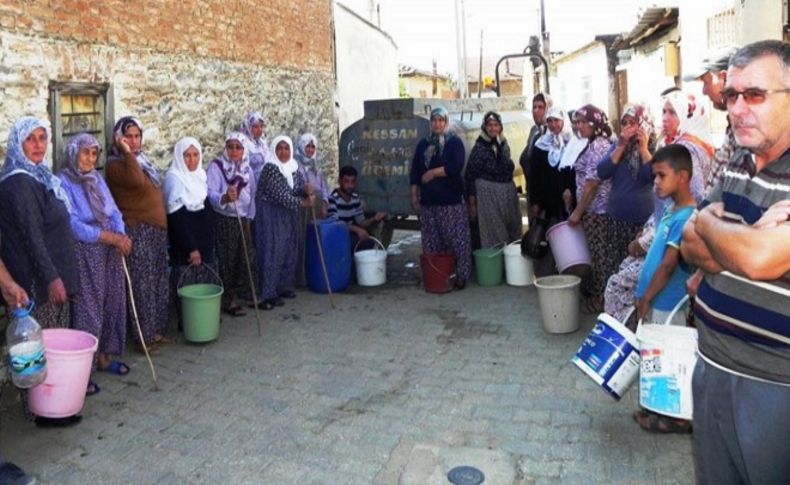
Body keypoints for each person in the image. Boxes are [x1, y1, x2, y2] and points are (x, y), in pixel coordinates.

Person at [680, 40, 790, 485]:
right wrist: (724, 231)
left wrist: (710, 225)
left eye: (755, 95)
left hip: (774, 387)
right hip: (710, 368)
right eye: (732, 95)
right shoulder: (737, 162)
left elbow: (758, 258)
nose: (738, 108)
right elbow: (689, 245)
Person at [603, 90, 715, 323]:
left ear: (687, 115)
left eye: (672, 112)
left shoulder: (688, 150)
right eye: (664, 111)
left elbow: (690, 197)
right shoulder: (680, 144)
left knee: (620, 286)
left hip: (667, 269)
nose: (665, 117)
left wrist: (648, 240)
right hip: (659, 230)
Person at [59, 134, 131, 393]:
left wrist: (121, 235)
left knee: (112, 301)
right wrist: (109, 237)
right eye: (85, 153)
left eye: (94, 153)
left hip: (109, 249)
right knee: (89, 308)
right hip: (87, 251)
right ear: (73, 154)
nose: (90, 159)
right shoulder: (64, 182)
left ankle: (103, 357)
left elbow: (114, 211)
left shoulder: (97, 179)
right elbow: (73, 225)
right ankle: (82, 371)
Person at [0, 117, 78, 328]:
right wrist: (52, 279)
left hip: (48, 280)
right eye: (30, 139)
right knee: (44, 347)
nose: (38, 145)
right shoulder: (21, 183)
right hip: (38, 287)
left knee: (54, 349)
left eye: (42, 138)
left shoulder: (39, 176)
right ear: (18, 144)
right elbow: (32, 236)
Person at [105, 116, 169, 351]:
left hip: (155, 231)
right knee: (142, 284)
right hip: (137, 229)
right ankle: (143, 337)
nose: (133, 141)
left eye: (136, 136)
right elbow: (134, 180)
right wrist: (125, 152)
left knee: (156, 281)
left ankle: (155, 331)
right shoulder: (116, 165)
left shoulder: (142, 160)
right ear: (119, 138)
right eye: (127, 137)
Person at [595, 103, 656, 304]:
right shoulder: (617, 146)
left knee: (637, 271)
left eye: (633, 123)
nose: (629, 128)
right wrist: (620, 146)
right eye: (625, 123)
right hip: (616, 219)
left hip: (641, 223)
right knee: (616, 267)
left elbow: (654, 176)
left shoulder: (654, 148)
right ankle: (615, 310)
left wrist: (644, 148)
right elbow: (602, 171)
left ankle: (634, 311)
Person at [410, 106, 472, 290]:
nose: (437, 124)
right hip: (429, 203)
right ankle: (436, 276)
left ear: (446, 122)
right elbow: (415, 172)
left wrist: (433, 173)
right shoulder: (423, 145)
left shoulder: (454, 143)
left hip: (450, 202)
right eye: (434, 120)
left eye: (441, 120)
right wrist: (414, 196)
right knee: (431, 241)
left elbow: (456, 167)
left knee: (457, 240)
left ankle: (460, 276)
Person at [255, 135, 315, 309]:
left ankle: (281, 287)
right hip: (271, 215)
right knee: (273, 251)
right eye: (279, 148)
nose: (283, 152)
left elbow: (297, 187)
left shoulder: (293, 167)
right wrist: (303, 202)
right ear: (274, 150)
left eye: (286, 148)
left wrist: (306, 189)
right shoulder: (271, 168)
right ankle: (268, 293)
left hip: (288, 215)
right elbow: (280, 195)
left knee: (289, 250)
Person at [163, 137, 216, 327]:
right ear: (179, 156)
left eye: (195, 155)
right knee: (187, 283)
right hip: (186, 243)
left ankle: (204, 318)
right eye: (187, 156)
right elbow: (177, 218)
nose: (192, 160)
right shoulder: (175, 179)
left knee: (204, 284)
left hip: (204, 240)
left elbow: (205, 205)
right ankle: (188, 322)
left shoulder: (200, 175)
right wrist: (192, 248)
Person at [567, 105, 614, 313]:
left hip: (598, 212)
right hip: (592, 211)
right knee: (595, 255)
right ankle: (597, 296)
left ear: (594, 123)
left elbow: (592, 183)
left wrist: (578, 212)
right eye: (577, 122)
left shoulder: (599, 146)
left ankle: (602, 300)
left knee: (600, 257)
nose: (579, 126)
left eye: (583, 121)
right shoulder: (591, 143)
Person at [207, 132, 257, 317]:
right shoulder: (216, 167)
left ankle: (244, 292)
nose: (234, 151)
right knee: (226, 259)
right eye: (231, 146)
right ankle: (228, 299)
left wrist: (249, 218)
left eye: (238, 147)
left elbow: (252, 195)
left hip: (242, 219)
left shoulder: (247, 169)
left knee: (244, 257)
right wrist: (225, 197)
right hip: (225, 219)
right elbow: (210, 192)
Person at [682, 45, 740, 195]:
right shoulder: (733, 125)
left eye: (706, 82)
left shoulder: (747, 128)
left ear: (724, 78)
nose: (704, 91)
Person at [527, 107, 576, 276]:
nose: (554, 125)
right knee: (546, 239)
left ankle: (567, 275)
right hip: (547, 203)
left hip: (568, 202)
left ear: (563, 122)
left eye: (557, 120)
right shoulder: (541, 144)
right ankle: (546, 277)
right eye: (550, 121)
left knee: (568, 241)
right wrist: (535, 202)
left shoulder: (572, 142)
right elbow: (534, 176)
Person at [464, 111, 522, 248]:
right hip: (489, 200)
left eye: (496, 125)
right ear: (484, 127)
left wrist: (503, 144)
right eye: (489, 125)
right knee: (495, 237)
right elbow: (470, 176)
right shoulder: (479, 148)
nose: (493, 128)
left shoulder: (501, 144)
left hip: (506, 198)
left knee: (513, 234)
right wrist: (472, 204)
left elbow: (507, 165)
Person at [294, 133, 330, 286]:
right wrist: (305, 190)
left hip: (317, 208)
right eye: (307, 146)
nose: (309, 150)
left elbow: (324, 189)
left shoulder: (316, 167)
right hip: (303, 210)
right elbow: (294, 188)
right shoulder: (295, 167)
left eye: (312, 146)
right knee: (302, 241)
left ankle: (315, 274)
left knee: (315, 242)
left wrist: (325, 205)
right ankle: (301, 278)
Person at [327, 165, 388, 248]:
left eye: (353, 181)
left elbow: (361, 222)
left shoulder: (355, 198)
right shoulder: (333, 198)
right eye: (346, 181)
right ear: (340, 181)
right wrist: (357, 229)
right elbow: (335, 224)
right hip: (337, 235)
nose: (350, 185)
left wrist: (374, 218)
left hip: (350, 233)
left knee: (368, 242)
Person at [518, 93, 552, 190]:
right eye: (534, 107)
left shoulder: (553, 132)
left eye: (540, 107)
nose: (536, 110)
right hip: (532, 188)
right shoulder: (534, 131)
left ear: (548, 109)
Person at [240, 112, 272, 182]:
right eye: (256, 127)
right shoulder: (243, 144)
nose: (260, 130)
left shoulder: (262, 143)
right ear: (248, 127)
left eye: (261, 126)